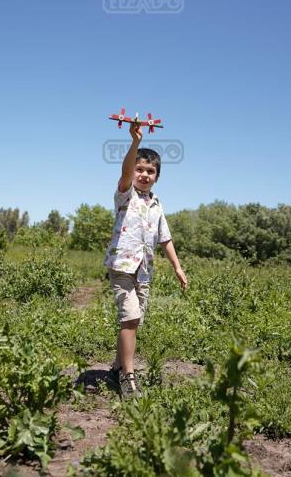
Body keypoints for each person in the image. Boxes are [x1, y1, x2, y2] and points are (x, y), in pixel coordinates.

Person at [104, 121, 188, 399]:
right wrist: (135, 143)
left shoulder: (157, 204)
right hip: (122, 266)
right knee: (130, 317)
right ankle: (128, 377)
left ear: (157, 177)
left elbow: (165, 237)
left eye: (150, 171)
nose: (143, 174)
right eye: (140, 169)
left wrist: (177, 267)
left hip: (144, 271)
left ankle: (116, 367)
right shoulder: (125, 194)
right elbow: (125, 172)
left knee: (133, 322)